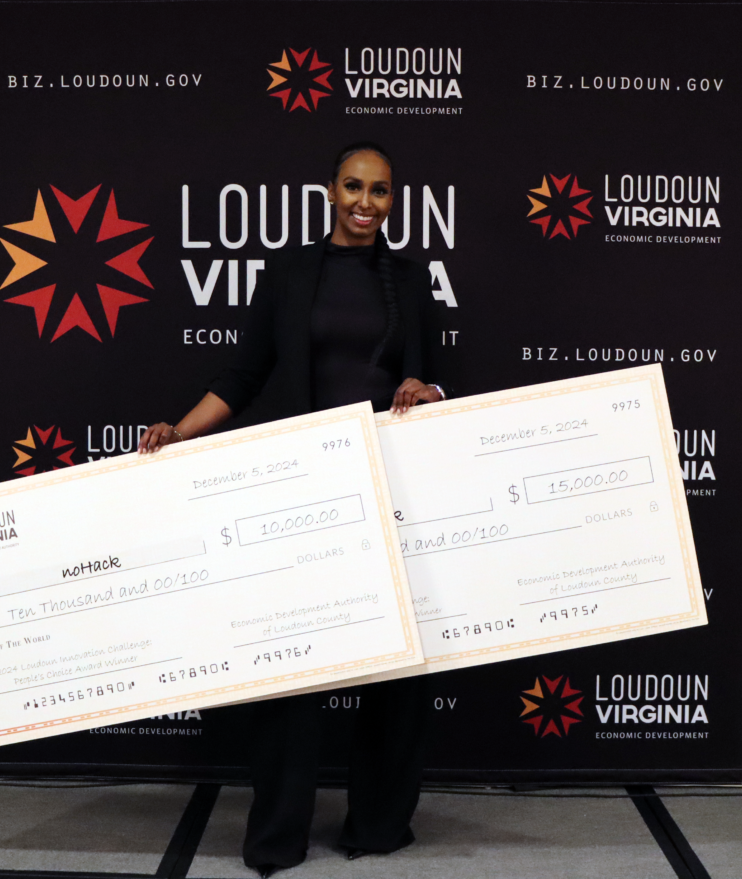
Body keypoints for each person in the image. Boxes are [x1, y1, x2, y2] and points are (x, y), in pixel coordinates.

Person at [139, 143, 449, 875]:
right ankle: (276, 834)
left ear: (393, 200)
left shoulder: (411, 279)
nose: (366, 202)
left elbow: (434, 380)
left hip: (391, 488)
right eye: (353, 186)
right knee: (290, 666)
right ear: (329, 191)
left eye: (380, 190)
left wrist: (422, 390)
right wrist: (176, 433)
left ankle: (379, 823)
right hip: (304, 490)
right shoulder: (289, 272)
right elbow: (244, 374)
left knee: (400, 666)